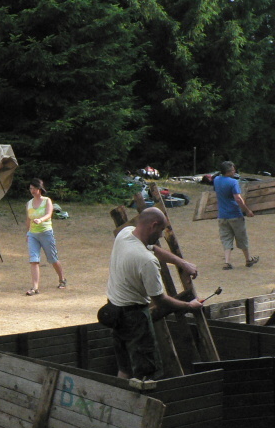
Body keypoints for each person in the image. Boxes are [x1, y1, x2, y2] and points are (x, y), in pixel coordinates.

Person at [107, 207, 203, 380]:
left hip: (113, 309)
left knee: (125, 368)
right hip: (134, 317)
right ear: (153, 225)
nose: (160, 235)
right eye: (160, 230)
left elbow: (153, 248)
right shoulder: (146, 261)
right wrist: (189, 305)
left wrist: (182, 263)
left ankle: (120, 396)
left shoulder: (125, 234)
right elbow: (160, 300)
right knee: (146, 371)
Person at [213, 160, 257, 270]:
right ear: (228, 171)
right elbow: (238, 199)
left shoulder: (216, 180)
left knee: (226, 238)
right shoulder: (233, 182)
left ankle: (227, 262)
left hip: (222, 215)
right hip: (235, 215)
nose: (234, 171)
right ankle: (248, 260)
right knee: (242, 237)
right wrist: (247, 210)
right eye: (233, 170)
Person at [25, 177, 65, 295]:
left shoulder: (47, 201)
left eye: (34, 188)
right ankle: (35, 287)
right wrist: (27, 233)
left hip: (46, 233)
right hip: (33, 234)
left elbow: (48, 214)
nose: (32, 191)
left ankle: (62, 279)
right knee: (34, 260)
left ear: (40, 189)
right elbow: (28, 219)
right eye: (31, 188)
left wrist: (40, 220)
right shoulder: (29, 203)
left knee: (52, 258)